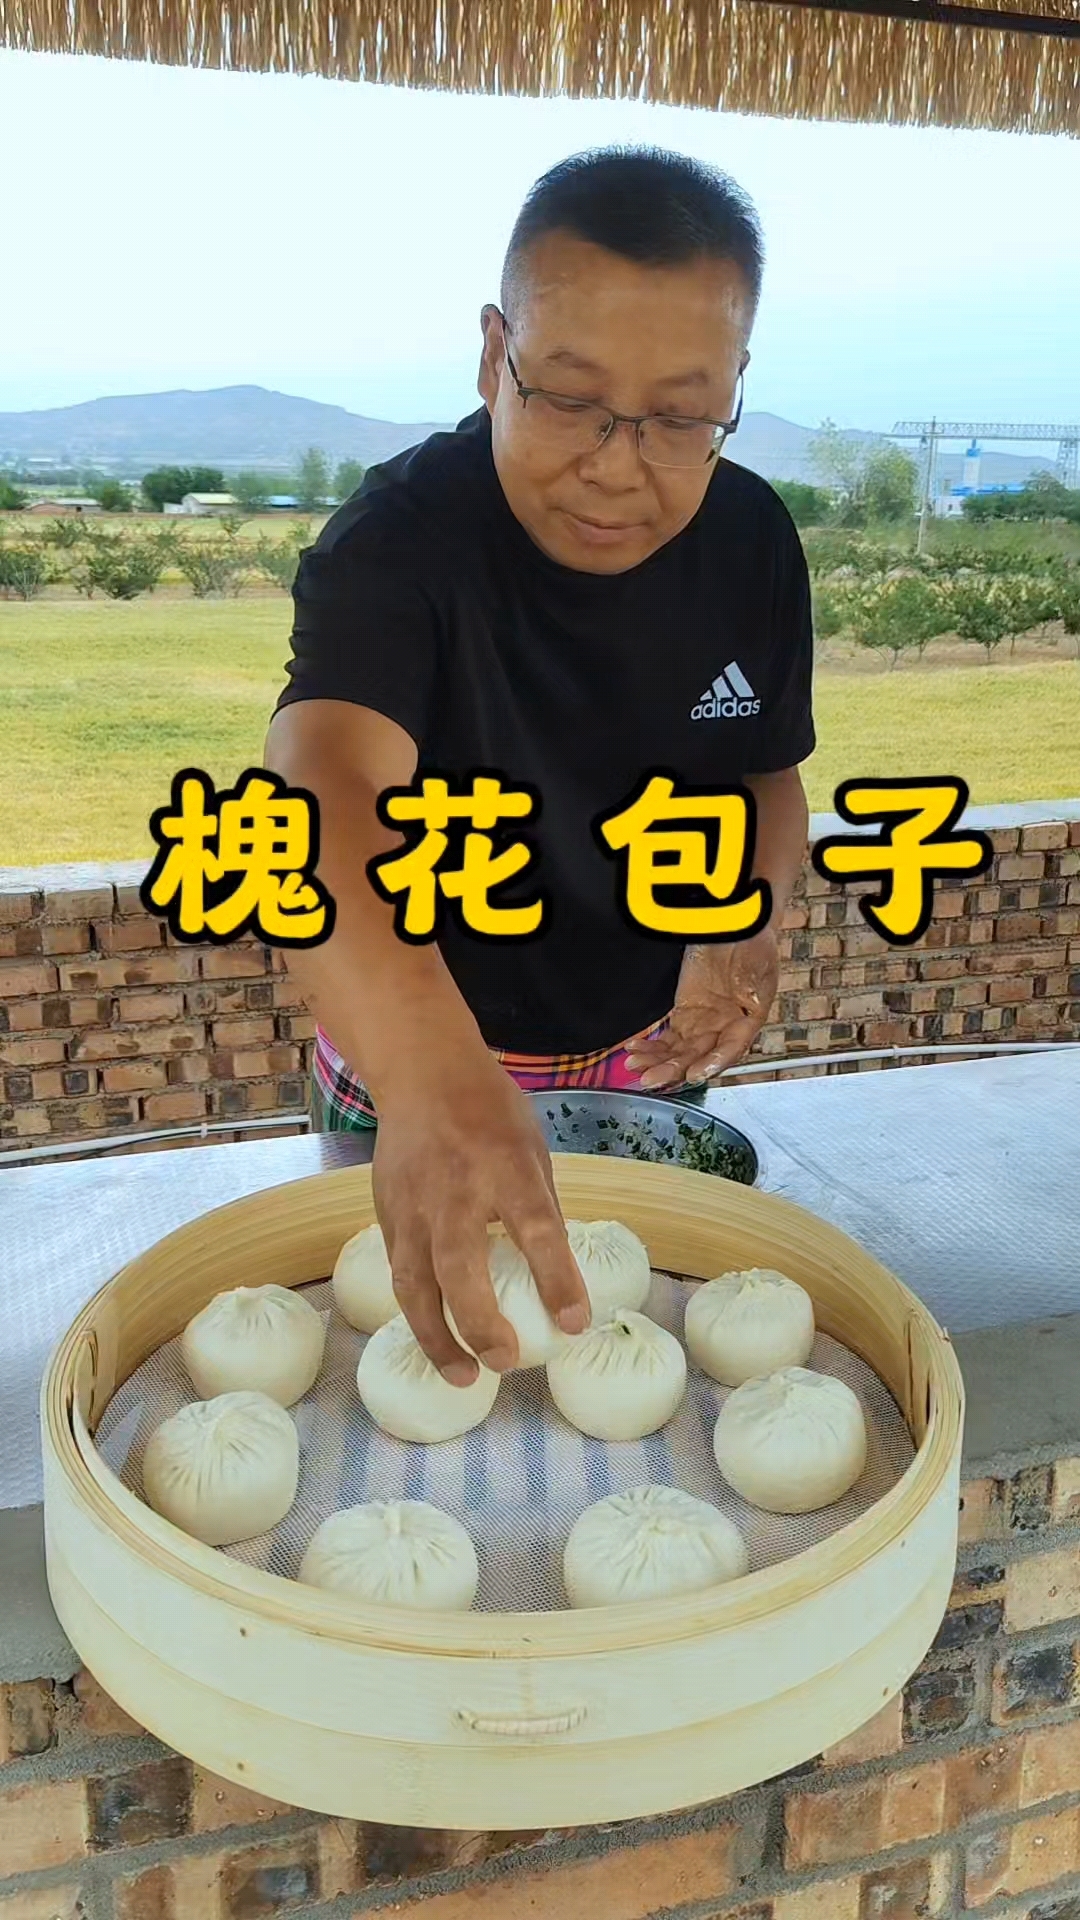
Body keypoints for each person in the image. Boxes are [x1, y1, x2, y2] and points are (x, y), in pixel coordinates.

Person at [264, 144, 814, 1389]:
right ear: (491, 354)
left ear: (734, 388)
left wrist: (752, 919)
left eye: (681, 417)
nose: (619, 465)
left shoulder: (752, 542)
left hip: (640, 1061)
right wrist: (430, 1077)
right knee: (394, 1362)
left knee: (621, 1362)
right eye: (568, 398)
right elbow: (324, 787)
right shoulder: (399, 541)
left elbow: (768, 770)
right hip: (409, 1059)